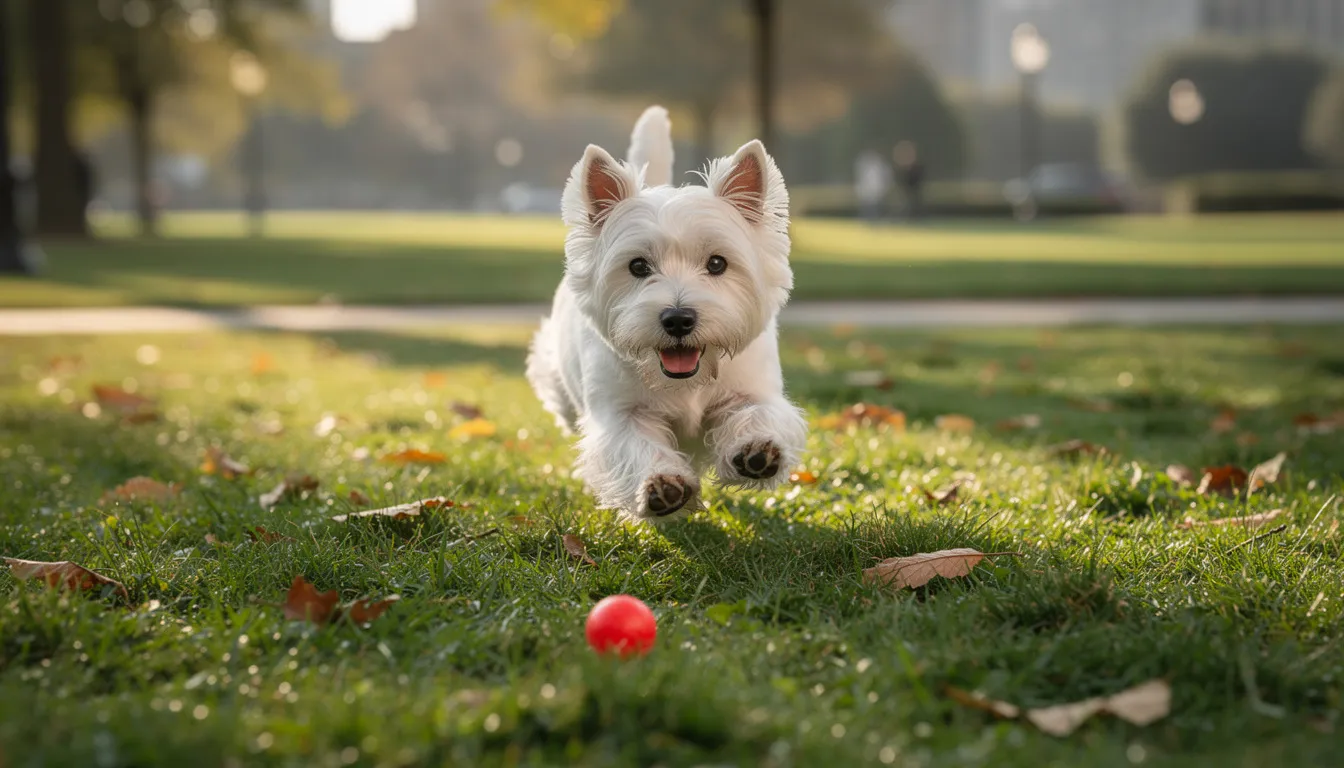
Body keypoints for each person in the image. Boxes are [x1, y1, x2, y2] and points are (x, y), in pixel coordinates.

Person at [853, 148, 892, 224]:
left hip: (876, 192)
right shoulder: (865, 166)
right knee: (867, 210)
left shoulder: (880, 166)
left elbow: (886, 179)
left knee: (875, 210)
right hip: (867, 193)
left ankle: (875, 223)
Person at [893, 140, 925, 221]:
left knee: (914, 204)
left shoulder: (917, 168)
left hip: (914, 191)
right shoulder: (902, 170)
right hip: (905, 192)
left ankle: (916, 218)